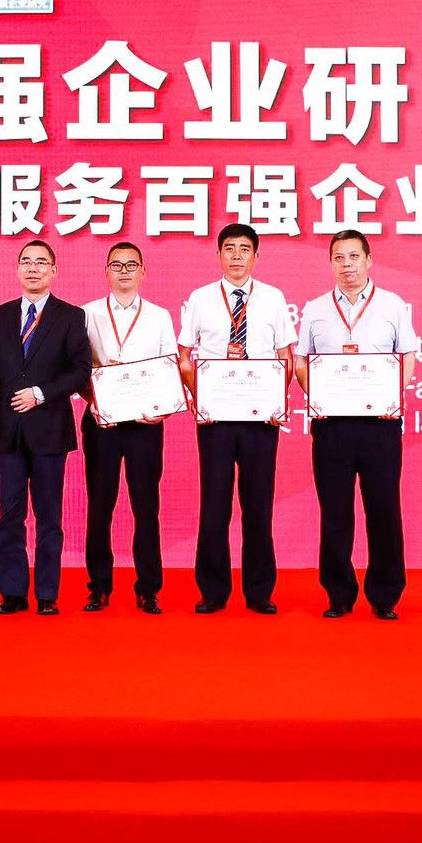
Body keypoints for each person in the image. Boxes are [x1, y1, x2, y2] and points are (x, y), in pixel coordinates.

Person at [294, 229, 417, 620]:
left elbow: (407, 357)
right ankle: (339, 595)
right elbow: (301, 361)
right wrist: (318, 395)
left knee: (384, 510)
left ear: (368, 260)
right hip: (331, 425)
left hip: (380, 424)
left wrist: (392, 397)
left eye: (353, 256)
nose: (346, 264)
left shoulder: (392, 305)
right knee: (335, 512)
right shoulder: (315, 308)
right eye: (339, 257)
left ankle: (385, 596)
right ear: (331, 263)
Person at [179, 223, 295, 615]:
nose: (236, 256)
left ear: (256, 257)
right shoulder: (200, 298)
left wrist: (277, 401)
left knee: (258, 505)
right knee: (214, 505)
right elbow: (184, 357)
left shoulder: (274, 298)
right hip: (215, 419)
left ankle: (259, 591)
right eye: (229, 248)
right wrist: (199, 397)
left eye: (244, 249)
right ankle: (212, 591)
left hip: (261, 419)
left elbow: (285, 356)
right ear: (218, 255)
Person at [0, 239, 91, 616]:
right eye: (26, 261)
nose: (33, 268)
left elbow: (80, 371)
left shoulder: (71, 315)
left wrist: (41, 394)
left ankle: (46, 593)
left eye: (41, 262)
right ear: (17, 269)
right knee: (9, 515)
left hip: (49, 431)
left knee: (49, 517)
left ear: (54, 271)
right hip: (6, 432)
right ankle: (11, 592)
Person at [80, 241, 179, 615]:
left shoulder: (158, 316)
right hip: (101, 421)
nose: (124, 271)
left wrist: (162, 410)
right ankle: (98, 587)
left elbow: (169, 367)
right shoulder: (87, 313)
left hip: (144, 425)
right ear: (106, 272)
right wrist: (94, 395)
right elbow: (77, 369)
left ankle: (148, 588)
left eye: (131, 264)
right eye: (117, 265)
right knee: (99, 506)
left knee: (146, 506)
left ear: (143, 271)